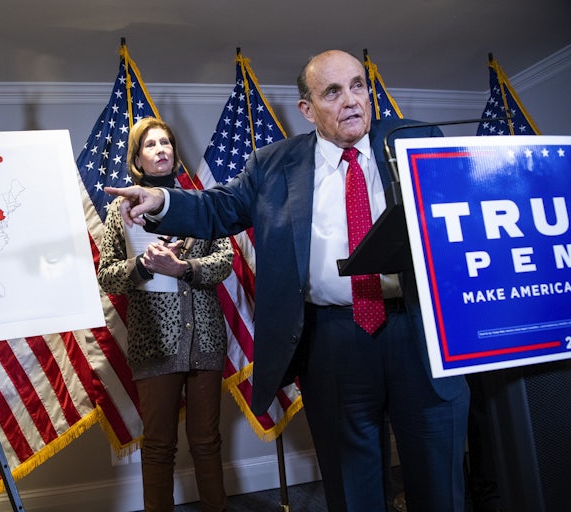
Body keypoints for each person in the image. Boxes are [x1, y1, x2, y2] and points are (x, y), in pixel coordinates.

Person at [105, 50, 470, 512]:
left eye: (358, 86)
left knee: (438, 477)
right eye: (333, 92)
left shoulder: (412, 140)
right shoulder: (274, 164)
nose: (352, 100)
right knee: (353, 484)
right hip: (334, 341)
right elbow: (218, 208)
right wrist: (160, 200)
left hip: (418, 331)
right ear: (307, 109)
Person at [97, 117, 234, 512]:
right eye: (150, 144)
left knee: (207, 440)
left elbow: (223, 261)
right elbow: (107, 276)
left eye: (166, 142)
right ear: (137, 158)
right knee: (158, 444)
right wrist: (144, 265)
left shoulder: (200, 202)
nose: (161, 149)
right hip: (152, 340)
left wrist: (184, 269)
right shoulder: (118, 213)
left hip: (205, 336)